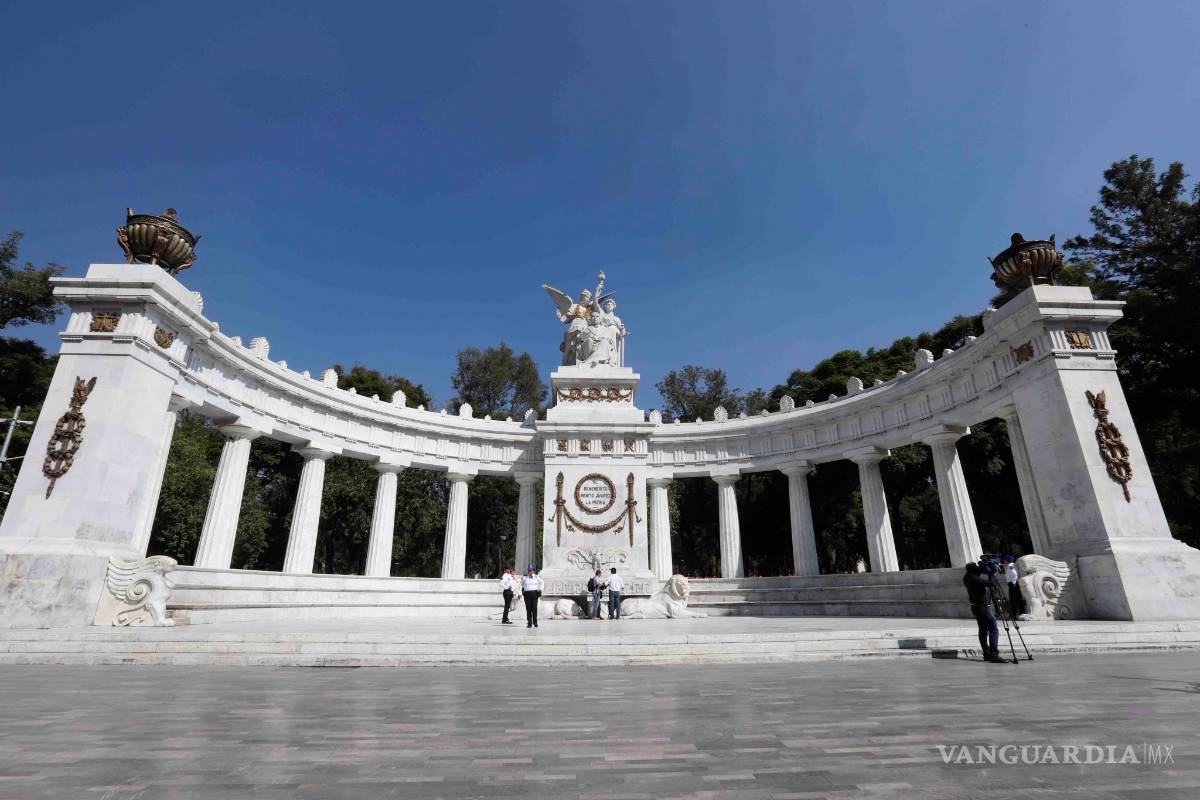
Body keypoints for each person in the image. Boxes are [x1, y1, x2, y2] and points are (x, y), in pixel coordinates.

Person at [963, 562, 1003, 662]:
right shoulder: (974, 578)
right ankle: (994, 654)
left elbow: (978, 573)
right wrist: (993, 574)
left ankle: (987, 654)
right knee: (993, 629)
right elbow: (990, 583)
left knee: (983, 630)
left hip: (975, 607)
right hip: (983, 607)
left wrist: (984, 568)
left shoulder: (967, 577)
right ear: (974, 570)